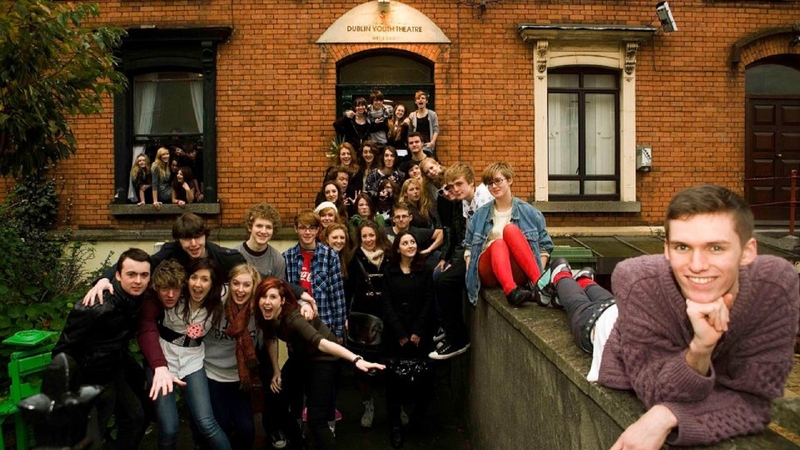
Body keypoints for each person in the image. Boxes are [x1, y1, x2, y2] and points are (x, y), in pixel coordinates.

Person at [541, 184, 799, 449]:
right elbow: (660, 392)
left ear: (748, 251)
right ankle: (561, 275)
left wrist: (668, 415)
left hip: (633, 309)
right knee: (579, 309)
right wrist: (700, 349)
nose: (698, 265)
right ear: (666, 250)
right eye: (682, 247)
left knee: (603, 299)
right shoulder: (635, 278)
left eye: (716, 248)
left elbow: (757, 399)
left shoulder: (776, 285)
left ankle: (581, 278)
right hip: (608, 329)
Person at [256, 277, 385, 450]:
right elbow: (270, 338)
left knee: (316, 419)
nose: (266, 302)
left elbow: (322, 343)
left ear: (283, 300)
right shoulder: (267, 315)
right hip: (302, 356)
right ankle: (299, 442)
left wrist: (356, 359)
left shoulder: (294, 318)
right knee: (275, 400)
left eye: (273, 297)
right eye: (263, 297)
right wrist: (276, 370)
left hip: (323, 358)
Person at [53, 248, 153, 450]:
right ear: (117, 275)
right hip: (86, 379)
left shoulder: (138, 299)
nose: (138, 281)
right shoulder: (94, 306)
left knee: (135, 417)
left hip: (112, 372)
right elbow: (64, 350)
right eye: (131, 274)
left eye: (144, 275)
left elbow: (117, 341)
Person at [139, 258, 231, 450]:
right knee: (169, 428)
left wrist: (299, 296)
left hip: (193, 361)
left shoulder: (219, 297)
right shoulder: (174, 294)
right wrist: (104, 280)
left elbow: (249, 287)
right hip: (164, 361)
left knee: (206, 423)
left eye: (205, 279)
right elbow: (147, 319)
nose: (198, 284)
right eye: (194, 278)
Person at [83, 213, 246, 306]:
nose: (194, 244)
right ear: (178, 240)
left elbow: (248, 282)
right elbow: (140, 263)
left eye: (198, 237)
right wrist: (104, 279)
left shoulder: (227, 258)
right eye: (187, 239)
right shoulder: (171, 252)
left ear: (205, 236)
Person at [464, 162, 553, 307]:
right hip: (489, 271)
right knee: (498, 243)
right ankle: (511, 291)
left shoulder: (530, 212)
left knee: (510, 230)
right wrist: (470, 275)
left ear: (510, 180)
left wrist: (539, 267)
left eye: (498, 181)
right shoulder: (479, 215)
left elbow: (545, 247)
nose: (494, 186)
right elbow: (468, 249)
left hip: (517, 269)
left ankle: (539, 284)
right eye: (489, 183)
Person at [381, 231, 436, 448]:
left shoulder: (425, 271)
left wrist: (417, 332)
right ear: (398, 248)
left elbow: (429, 303)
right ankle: (395, 427)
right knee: (393, 385)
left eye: (412, 242)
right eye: (405, 243)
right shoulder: (389, 272)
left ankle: (417, 421)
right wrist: (401, 334)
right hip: (395, 336)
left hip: (420, 334)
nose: (410, 245)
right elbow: (386, 305)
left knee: (424, 381)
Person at [346, 221, 392, 429]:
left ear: (378, 235)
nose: (368, 239)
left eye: (371, 235)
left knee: (389, 362)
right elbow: (348, 289)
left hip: (388, 318)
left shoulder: (390, 256)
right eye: (364, 236)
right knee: (362, 366)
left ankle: (395, 406)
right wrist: (346, 316)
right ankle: (368, 404)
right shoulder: (353, 259)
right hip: (363, 320)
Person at [407, 91, 439, 157]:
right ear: (416, 102)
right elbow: (410, 132)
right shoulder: (412, 115)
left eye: (423, 98)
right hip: (416, 145)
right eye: (418, 98)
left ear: (426, 101)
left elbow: (436, 129)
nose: (420, 100)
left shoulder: (432, 114)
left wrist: (432, 142)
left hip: (427, 145)